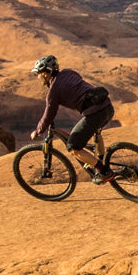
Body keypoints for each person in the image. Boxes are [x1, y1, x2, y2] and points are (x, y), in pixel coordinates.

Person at [27, 55, 117, 184]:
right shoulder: (69, 72)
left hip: (95, 114)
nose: (37, 77)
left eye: (38, 73)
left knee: (73, 148)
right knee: (96, 131)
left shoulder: (54, 91)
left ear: (46, 73)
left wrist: (39, 130)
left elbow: (49, 114)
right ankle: (103, 161)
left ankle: (104, 171)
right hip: (107, 107)